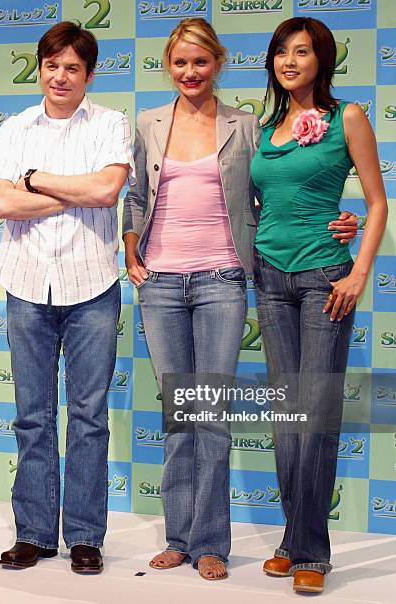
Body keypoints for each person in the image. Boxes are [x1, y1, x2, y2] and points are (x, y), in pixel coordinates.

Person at [123, 18, 358, 582]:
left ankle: (211, 543)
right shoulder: (149, 123)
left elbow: (279, 191)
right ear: (168, 65)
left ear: (218, 65)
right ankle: (179, 536)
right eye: (180, 62)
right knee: (179, 414)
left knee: (212, 414)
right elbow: (135, 196)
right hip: (159, 283)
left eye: (200, 62)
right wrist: (131, 251)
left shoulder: (248, 125)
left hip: (224, 280)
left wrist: (341, 221)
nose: (190, 72)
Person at [0, 21, 133, 574]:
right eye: (52, 65)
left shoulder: (111, 124)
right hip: (25, 283)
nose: (61, 75)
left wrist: (35, 180)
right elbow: (0, 204)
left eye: (73, 67)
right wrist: (71, 191)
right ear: (40, 69)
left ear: (88, 75)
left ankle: (87, 536)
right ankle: (36, 533)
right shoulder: (15, 125)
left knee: (89, 416)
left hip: (93, 284)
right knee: (32, 416)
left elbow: (105, 191)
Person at [250, 17, 387, 594]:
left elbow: (377, 202)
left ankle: (312, 550)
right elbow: (261, 202)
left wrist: (358, 271)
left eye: (301, 52)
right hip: (269, 276)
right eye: (281, 52)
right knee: (288, 416)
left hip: (325, 277)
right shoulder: (263, 128)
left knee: (316, 414)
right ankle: (292, 537)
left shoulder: (345, 116)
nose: (289, 61)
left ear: (321, 59)